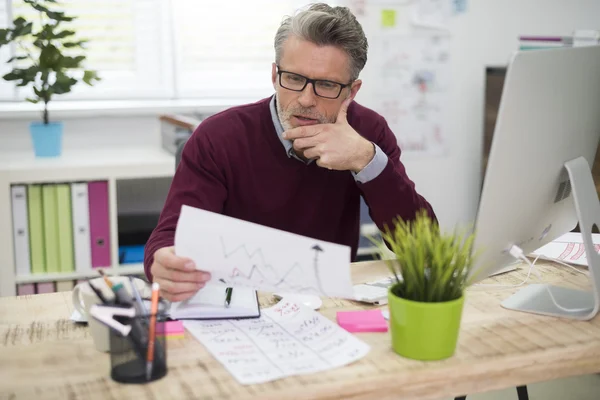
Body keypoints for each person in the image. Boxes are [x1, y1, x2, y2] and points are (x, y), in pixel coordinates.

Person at [144, 3, 436, 302]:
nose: (306, 99)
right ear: (274, 74)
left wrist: (366, 159)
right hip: (239, 302)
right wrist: (163, 262)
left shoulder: (368, 131)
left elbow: (422, 248)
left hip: (327, 302)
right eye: (294, 79)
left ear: (352, 91)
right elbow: (170, 236)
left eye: (326, 84)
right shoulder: (218, 136)